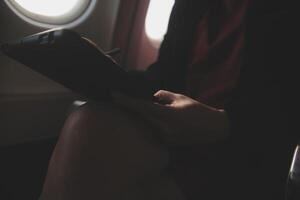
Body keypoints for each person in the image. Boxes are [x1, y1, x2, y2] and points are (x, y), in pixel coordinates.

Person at [39, 0, 298, 200]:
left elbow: (285, 115)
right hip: (175, 135)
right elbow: (164, 74)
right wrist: (105, 73)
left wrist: (224, 124)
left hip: (241, 152)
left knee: (91, 132)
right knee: (89, 120)